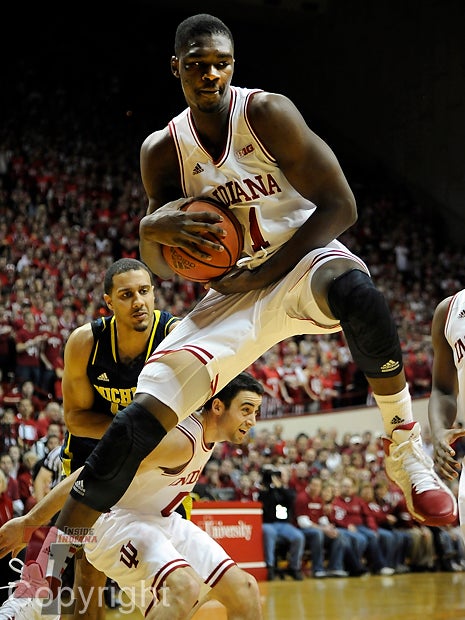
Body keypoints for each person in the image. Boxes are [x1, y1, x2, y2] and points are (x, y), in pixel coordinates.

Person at [27, 12, 456, 597]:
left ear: (234, 65)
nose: (211, 74)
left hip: (299, 259)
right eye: (198, 64)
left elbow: (341, 207)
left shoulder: (266, 114)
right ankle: (47, 574)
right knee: (133, 426)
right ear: (175, 67)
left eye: (222, 63)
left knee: (360, 293)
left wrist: (270, 270)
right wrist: (154, 226)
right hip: (229, 295)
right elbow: (157, 261)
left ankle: (405, 451)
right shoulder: (163, 151)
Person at [0, 372, 264, 620]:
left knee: (246, 589)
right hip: (113, 521)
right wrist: (29, 521)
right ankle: (35, 594)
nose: (252, 420)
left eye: (255, 412)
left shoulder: (208, 438)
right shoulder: (178, 441)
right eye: (246, 410)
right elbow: (89, 473)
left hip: (158, 520)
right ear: (217, 406)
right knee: (183, 587)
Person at [61, 257, 180, 620]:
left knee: (172, 559)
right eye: (126, 295)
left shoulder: (174, 336)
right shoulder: (86, 342)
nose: (138, 301)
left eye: (145, 291)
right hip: (90, 455)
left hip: (153, 459)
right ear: (109, 302)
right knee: (81, 561)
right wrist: (128, 433)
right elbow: (75, 419)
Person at [259, 466, 305, 581]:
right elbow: (262, 502)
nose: (278, 477)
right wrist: (268, 486)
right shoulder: (266, 491)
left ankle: (294, 567)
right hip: (268, 524)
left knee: (298, 537)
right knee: (269, 533)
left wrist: (279, 487)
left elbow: (290, 499)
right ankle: (270, 567)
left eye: (281, 475)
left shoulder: (288, 490)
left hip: (284, 525)